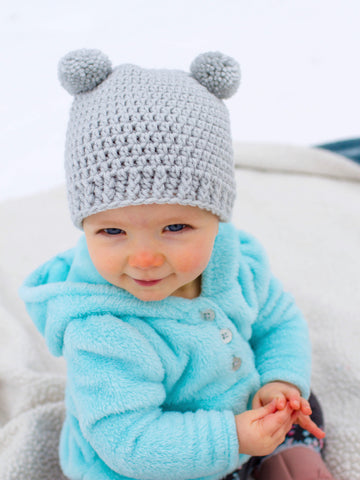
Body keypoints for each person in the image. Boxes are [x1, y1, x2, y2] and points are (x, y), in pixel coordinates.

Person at [20, 49, 336, 480]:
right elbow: (129, 442)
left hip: (241, 412)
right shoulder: (100, 329)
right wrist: (234, 439)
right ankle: (259, 457)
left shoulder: (235, 260)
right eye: (112, 232)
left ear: (215, 218)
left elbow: (278, 321)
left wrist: (280, 384)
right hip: (150, 462)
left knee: (303, 396)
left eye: (175, 227)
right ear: (86, 225)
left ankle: (284, 451)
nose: (145, 257)